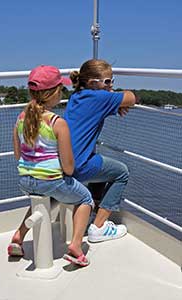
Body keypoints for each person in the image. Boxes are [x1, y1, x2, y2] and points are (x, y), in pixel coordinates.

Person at [8, 65, 94, 267]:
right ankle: (75, 246)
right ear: (53, 93)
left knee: (49, 198)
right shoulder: (57, 122)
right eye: (61, 90)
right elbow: (69, 167)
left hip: (26, 180)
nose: (62, 94)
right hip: (49, 181)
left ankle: (18, 237)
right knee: (85, 198)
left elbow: (18, 154)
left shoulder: (21, 119)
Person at [64, 59, 137, 243]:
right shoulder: (100, 98)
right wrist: (114, 97)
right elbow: (132, 97)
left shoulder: (77, 96)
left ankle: (93, 215)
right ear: (92, 82)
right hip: (79, 166)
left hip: (66, 163)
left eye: (112, 81)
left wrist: (113, 101)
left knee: (102, 167)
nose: (111, 85)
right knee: (121, 172)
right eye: (107, 81)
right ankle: (99, 227)